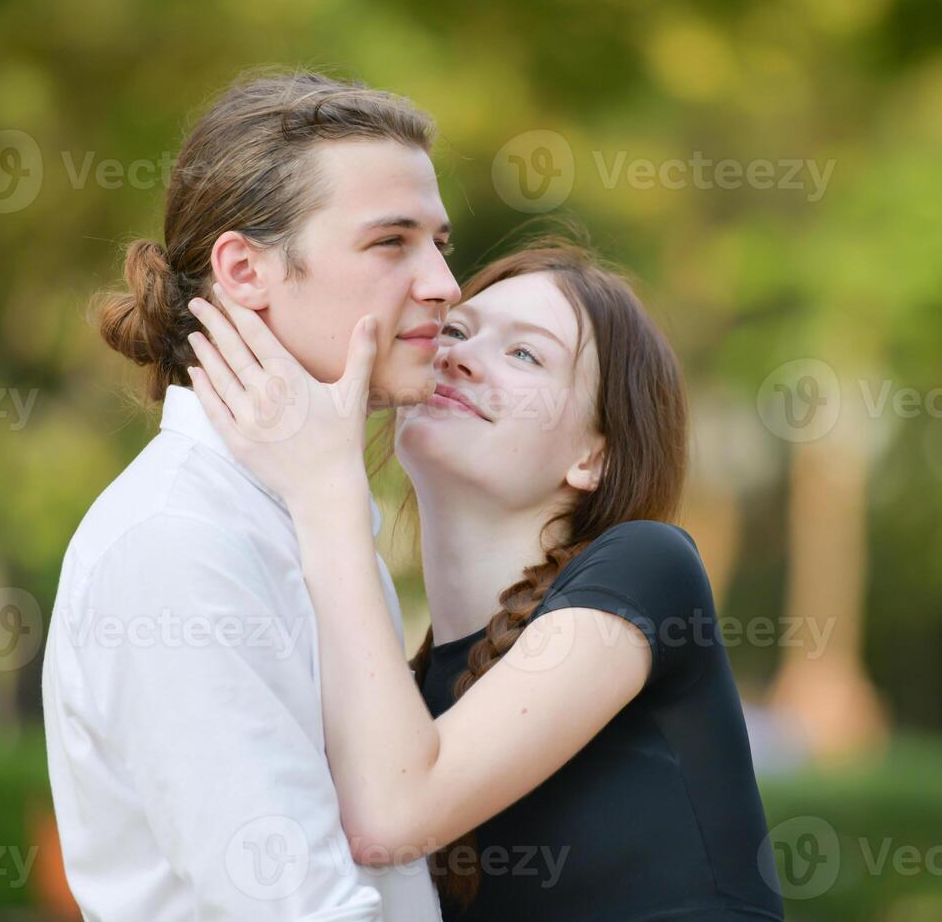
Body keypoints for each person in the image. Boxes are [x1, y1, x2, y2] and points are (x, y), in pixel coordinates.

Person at [186, 240, 787, 919]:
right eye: (457, 330)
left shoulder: (648, 568)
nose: (457, 354)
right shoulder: (405, 691)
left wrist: (326, 492)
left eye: (525, 353)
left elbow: (391, 817)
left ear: (594, 455)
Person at [42, 71, 460, 921]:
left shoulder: (307, 512)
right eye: (392, 243)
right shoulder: (179, 543)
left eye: (441, 242)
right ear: (244, 269)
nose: (445, 284)